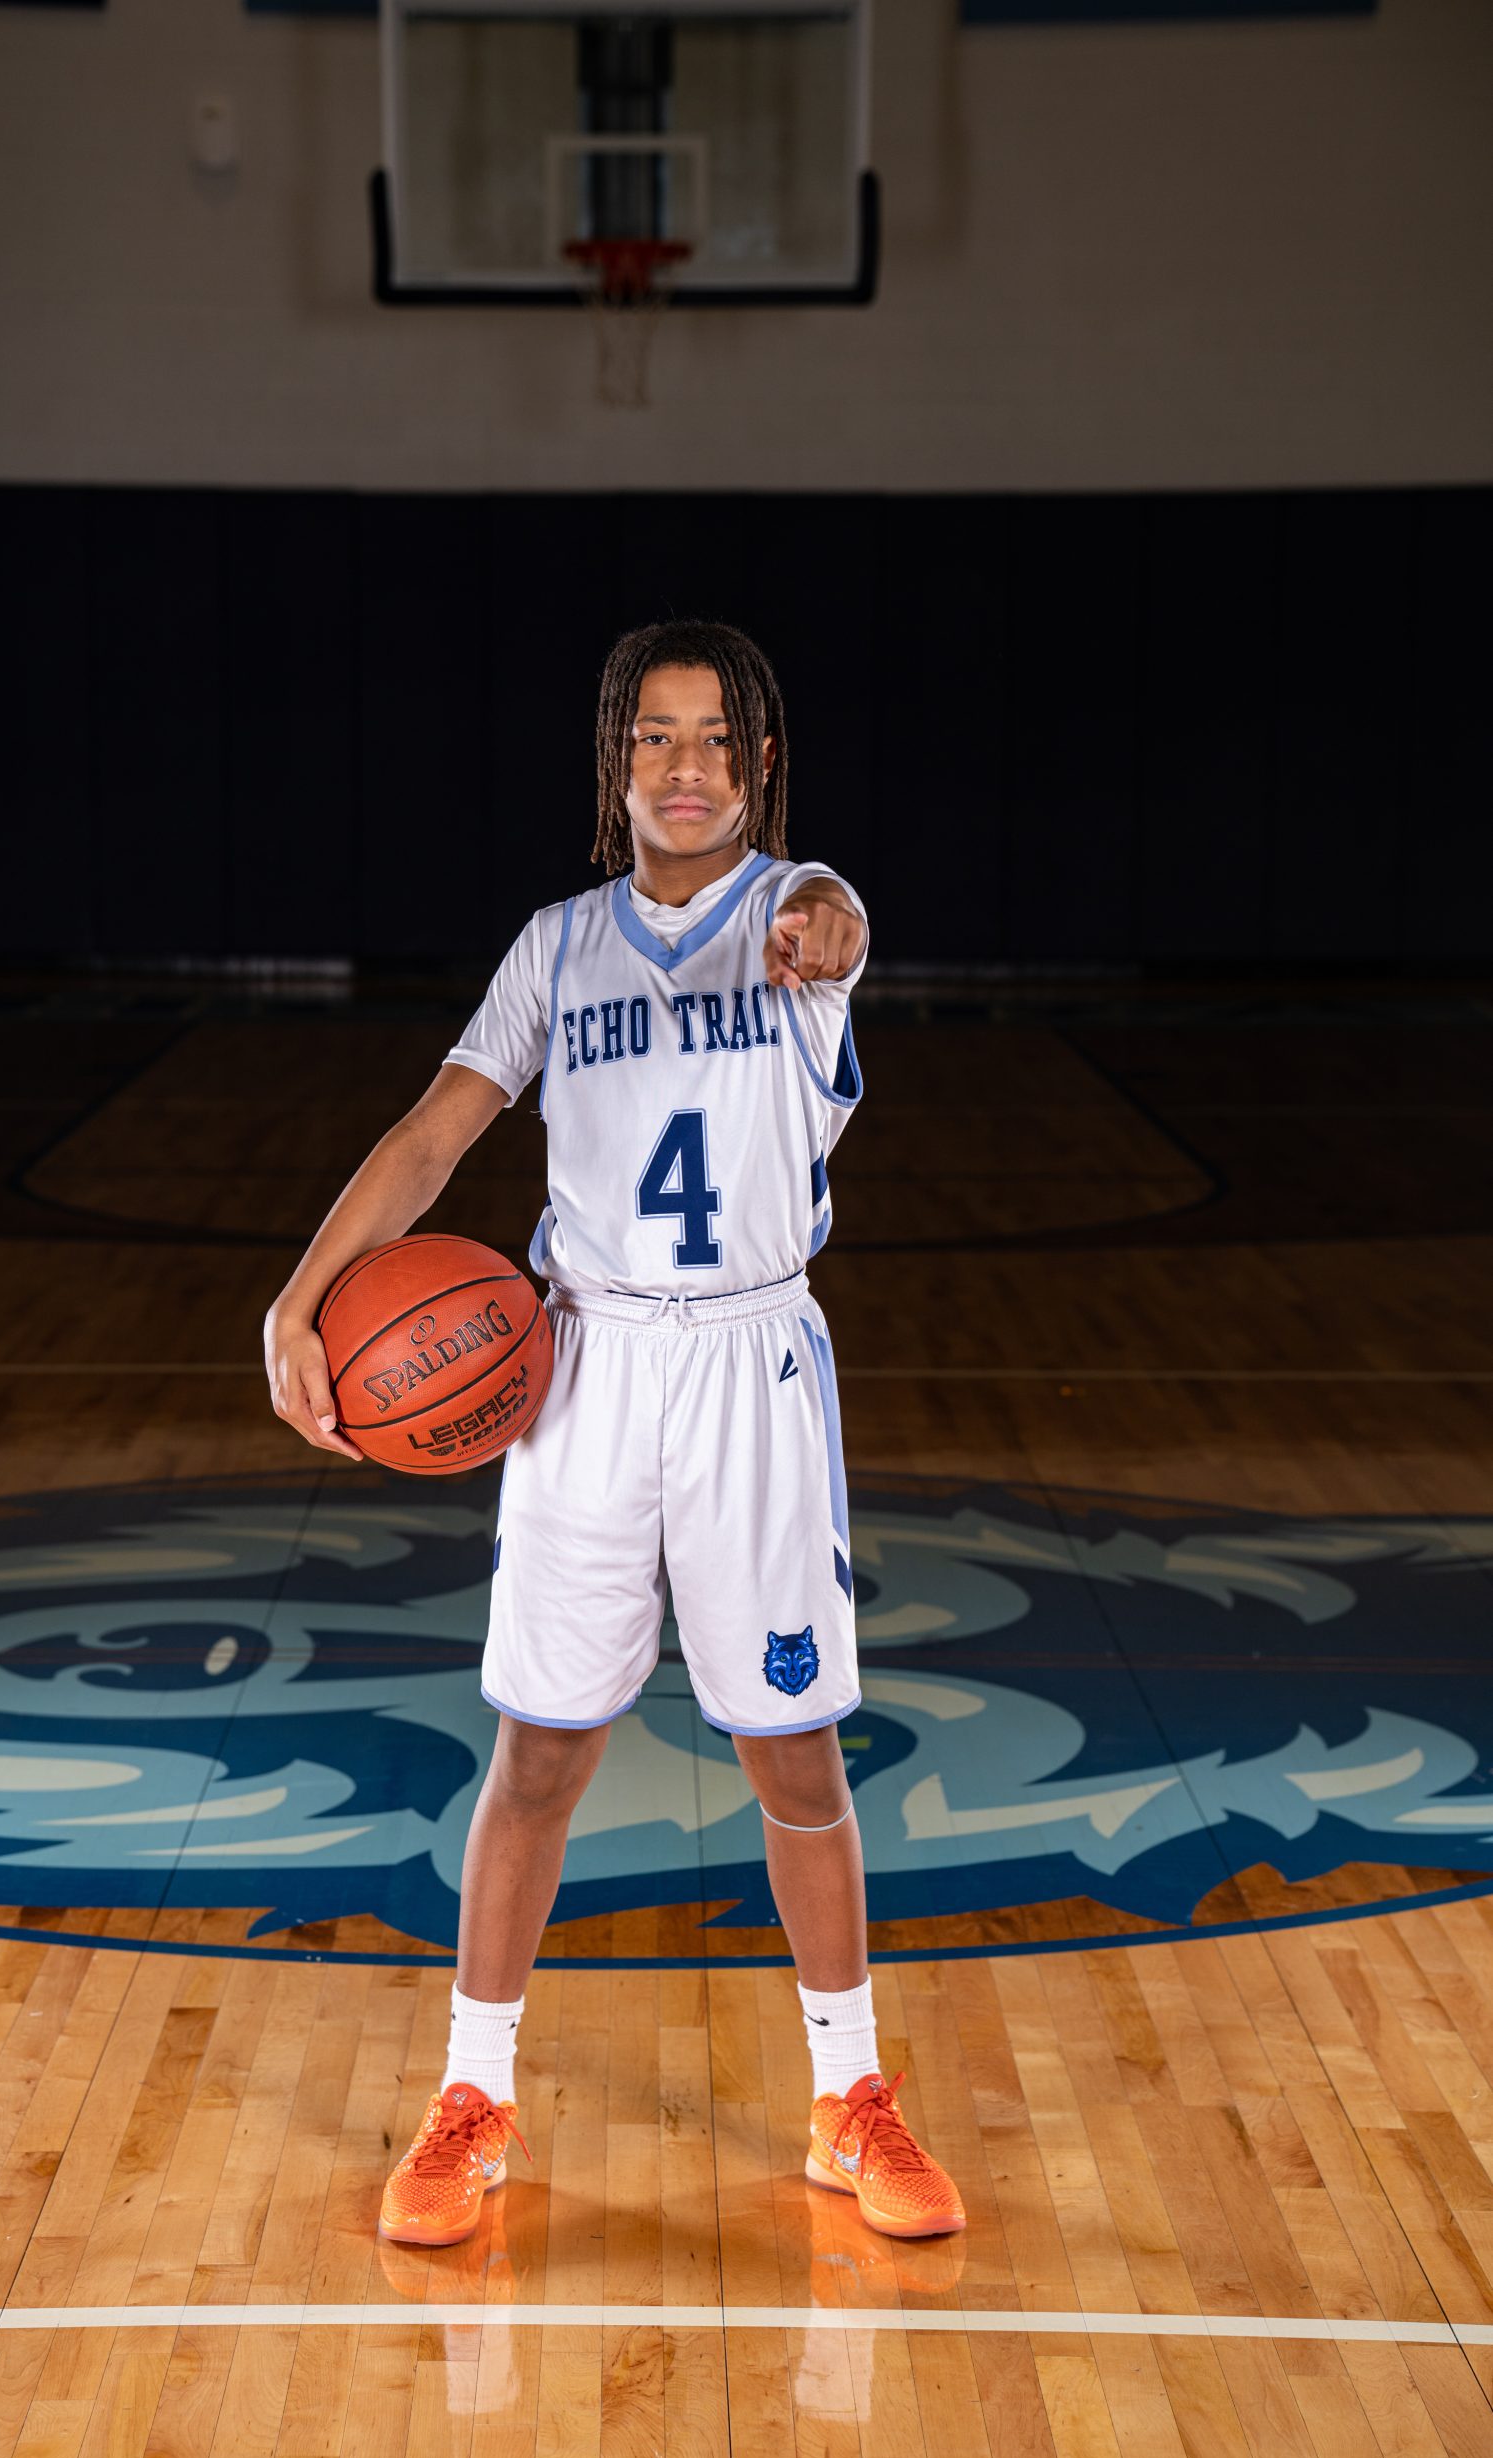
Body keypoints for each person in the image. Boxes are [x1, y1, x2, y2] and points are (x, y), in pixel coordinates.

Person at [264, 619, 965, 2250]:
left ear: (760, 764)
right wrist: (300, 1299)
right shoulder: (556, 948)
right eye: (654, 737)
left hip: (748, 1366)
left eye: (716, 739)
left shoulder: (800, 918)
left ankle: (849, 2098)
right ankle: (472, 2097)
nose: (685, 767)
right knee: (538, 1752)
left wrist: (821, 920)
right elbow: (434, 1135)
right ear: (614, 762)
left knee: (793, 1751)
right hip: (580, 1365)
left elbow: (835, 918)